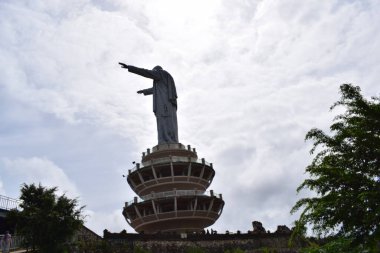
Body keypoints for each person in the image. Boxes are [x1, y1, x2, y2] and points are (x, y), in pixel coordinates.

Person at [119, 63, 179, 145]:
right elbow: (155, 89)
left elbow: (145, 72)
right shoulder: (165, 78)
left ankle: (167, 141)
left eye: (153, 72)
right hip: (168, 105)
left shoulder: (161, 73)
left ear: (156, 70)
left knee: (165, 121)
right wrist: (144, 91)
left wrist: (130, 67)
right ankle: (169, 140)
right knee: (168, 122)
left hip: (164, 104)